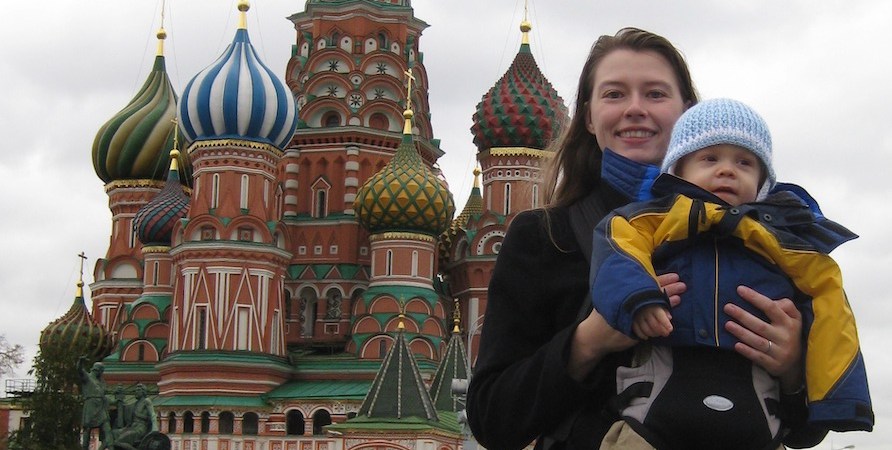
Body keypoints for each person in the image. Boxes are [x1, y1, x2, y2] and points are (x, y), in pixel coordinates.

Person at [466, 28, 827, 450]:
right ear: (588, 116)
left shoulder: (760, 235)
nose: (635, 109)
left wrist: (792, 369)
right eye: (614, 94)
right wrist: (589, 340)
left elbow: (805, 432)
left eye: (655, 94)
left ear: (687, 112)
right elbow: (493, 418)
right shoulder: (548, 237)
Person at [589, 98, 873, 449]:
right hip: (652, 419)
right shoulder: (655, 218)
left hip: (757, 420)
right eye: (710, 158)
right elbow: (618, 243)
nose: (727, 170)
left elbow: (830, 299)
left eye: (744, 162)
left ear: (763, 181)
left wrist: (837, 394)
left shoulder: (783, 239)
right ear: (678, 170)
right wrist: (637, 298)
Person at [78, 356, 115, 450]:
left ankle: (111, 447)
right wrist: (81, 361)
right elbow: (80, 370)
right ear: (97, 370)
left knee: (107, 428)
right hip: (90, 405)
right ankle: (85, 448)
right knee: (87, 429)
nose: (102, 374)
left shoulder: (101, 382)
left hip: (101, 406)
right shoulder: (87, 377)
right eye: (101, 371)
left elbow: (104, 395)